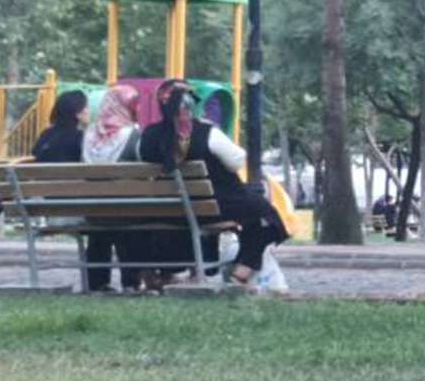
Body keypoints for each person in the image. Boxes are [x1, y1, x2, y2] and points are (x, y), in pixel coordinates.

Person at [138, 79, 288, 289]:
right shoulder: (206, 132)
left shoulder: (148, 136)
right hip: (213, 207)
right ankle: (242, 271)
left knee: (253, 208)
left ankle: (162, 274)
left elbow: (142, 163)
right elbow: (236, 161)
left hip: (169, 208)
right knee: (265, 213)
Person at [81, 84, 145, 292]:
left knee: (101, 227)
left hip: (92, 210)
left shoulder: (89, 134)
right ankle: (131, 282)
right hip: (127, 210)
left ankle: (97, 282)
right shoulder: (133, 134)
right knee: (128, 220)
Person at [31, 90, 88, 162]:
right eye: (86, 107)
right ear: (78, 113)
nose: (88, 111)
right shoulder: (80, 138)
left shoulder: (46, 133)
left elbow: (35, 152)